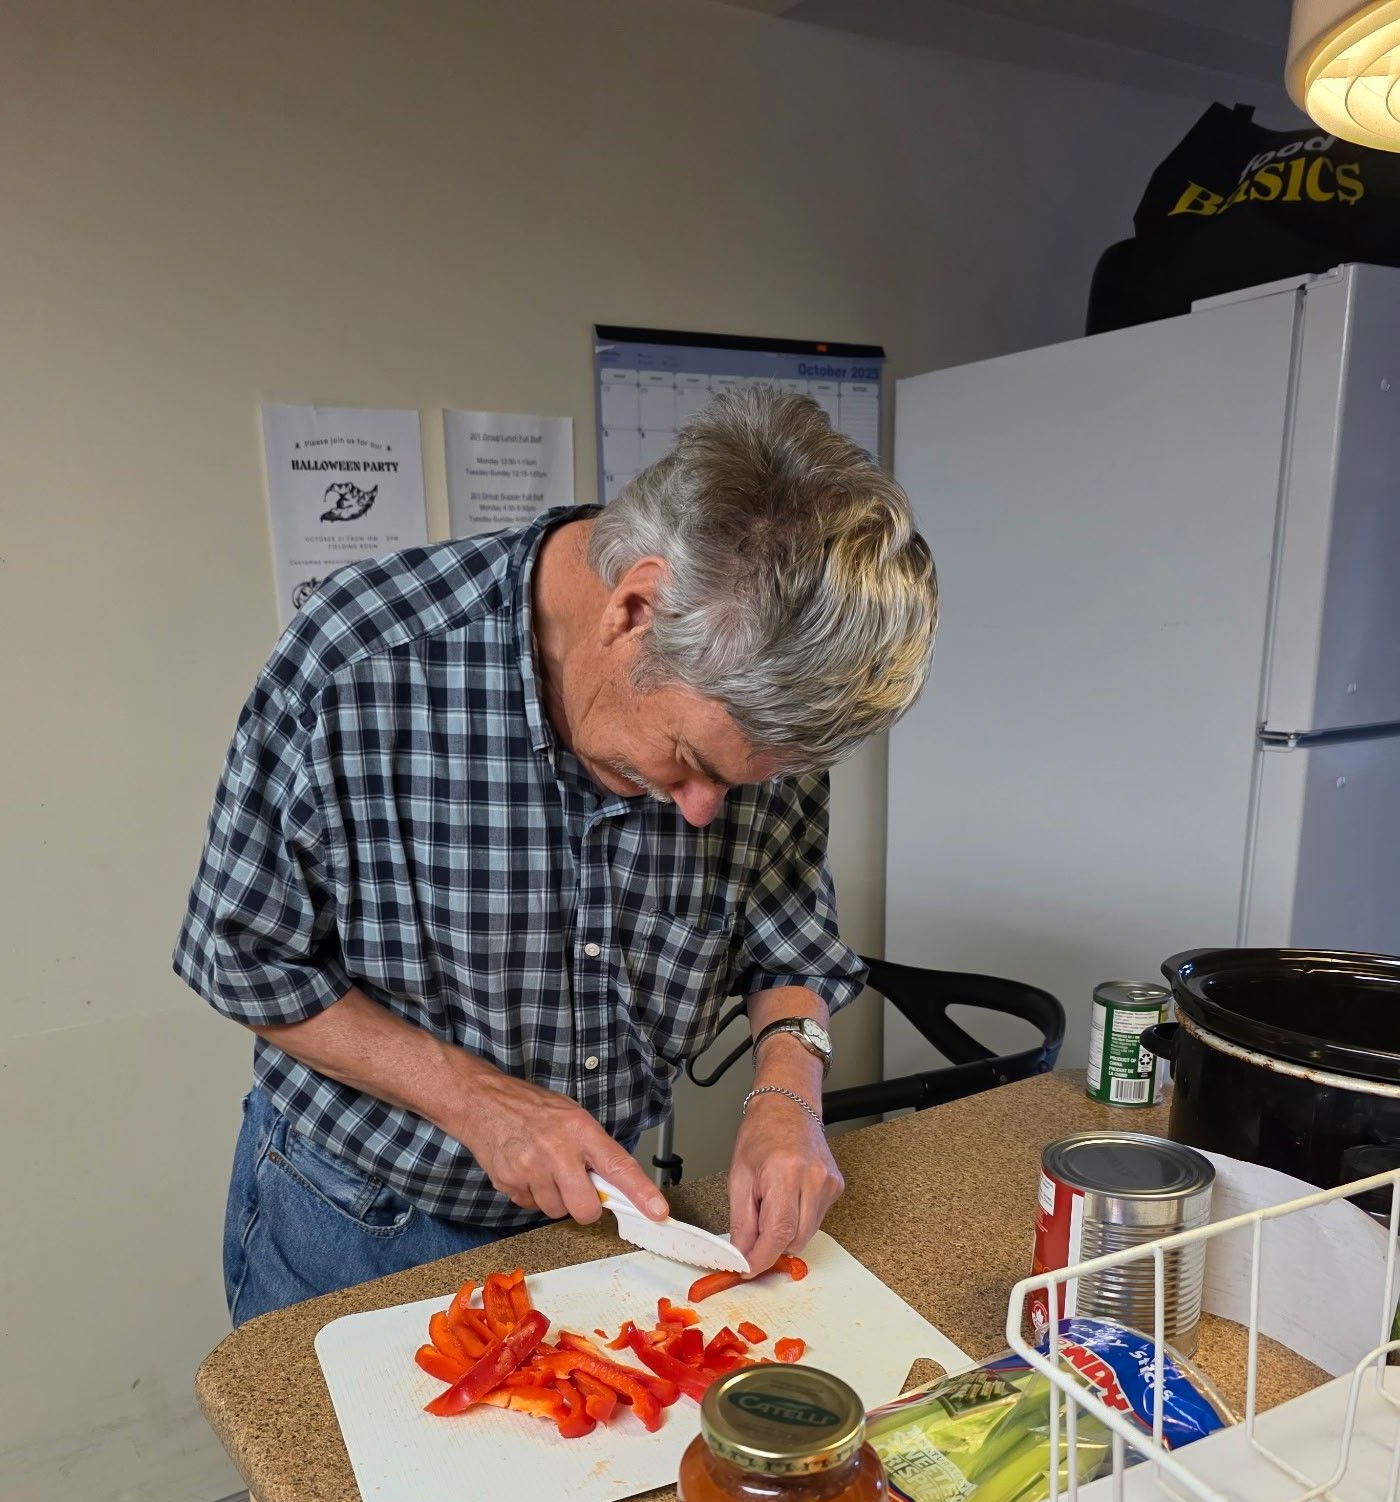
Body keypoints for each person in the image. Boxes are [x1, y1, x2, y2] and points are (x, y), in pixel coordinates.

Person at [176, 388, 937, 1325]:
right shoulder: (363, 662)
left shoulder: (759, 703)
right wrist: (475, 1099)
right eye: (691, 762)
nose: (705, 812)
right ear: (634, 608)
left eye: (744, 784)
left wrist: (790, 1092)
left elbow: (788, 945)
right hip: (358, 1220)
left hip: (588, 1225)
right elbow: (242, 954)